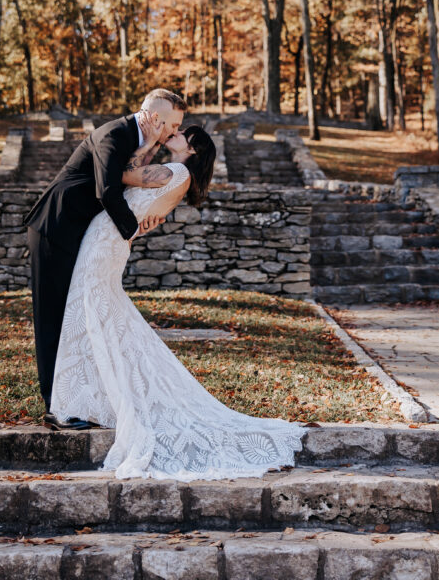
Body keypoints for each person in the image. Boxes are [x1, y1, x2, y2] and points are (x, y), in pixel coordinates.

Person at [50, 122, 306, 479]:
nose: (175, 133)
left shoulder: (175, 170)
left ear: (192, 148)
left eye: (182, 133)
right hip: (111, 240)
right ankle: (89, 392)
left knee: (92, 310)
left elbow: (120, 174)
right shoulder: (181, 177)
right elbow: (149, 209)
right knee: (99, 312)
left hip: (106, 241)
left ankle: (84, 394)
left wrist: (150, 141)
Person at [24, 88, 186, 427]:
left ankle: (79, 400)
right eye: (173, 125)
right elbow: (108, 190)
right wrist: (131, 232)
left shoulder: (140, 141)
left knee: (76, 315)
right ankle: (56, 409)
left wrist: (149, 215)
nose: (175, 132)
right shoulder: (115, 133)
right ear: (156, 118)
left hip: (78, 231)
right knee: (53, 316)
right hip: (55, 226)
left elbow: (132, 183)